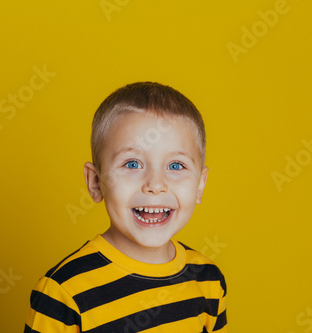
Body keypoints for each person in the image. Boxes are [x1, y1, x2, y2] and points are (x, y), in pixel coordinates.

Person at [24, 82, 227, 332]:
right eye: (132, 164)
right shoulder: (63, 291)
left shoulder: (207, 280)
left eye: (176, 166)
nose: (155, 185)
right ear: (96, 182)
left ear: (200, 185)